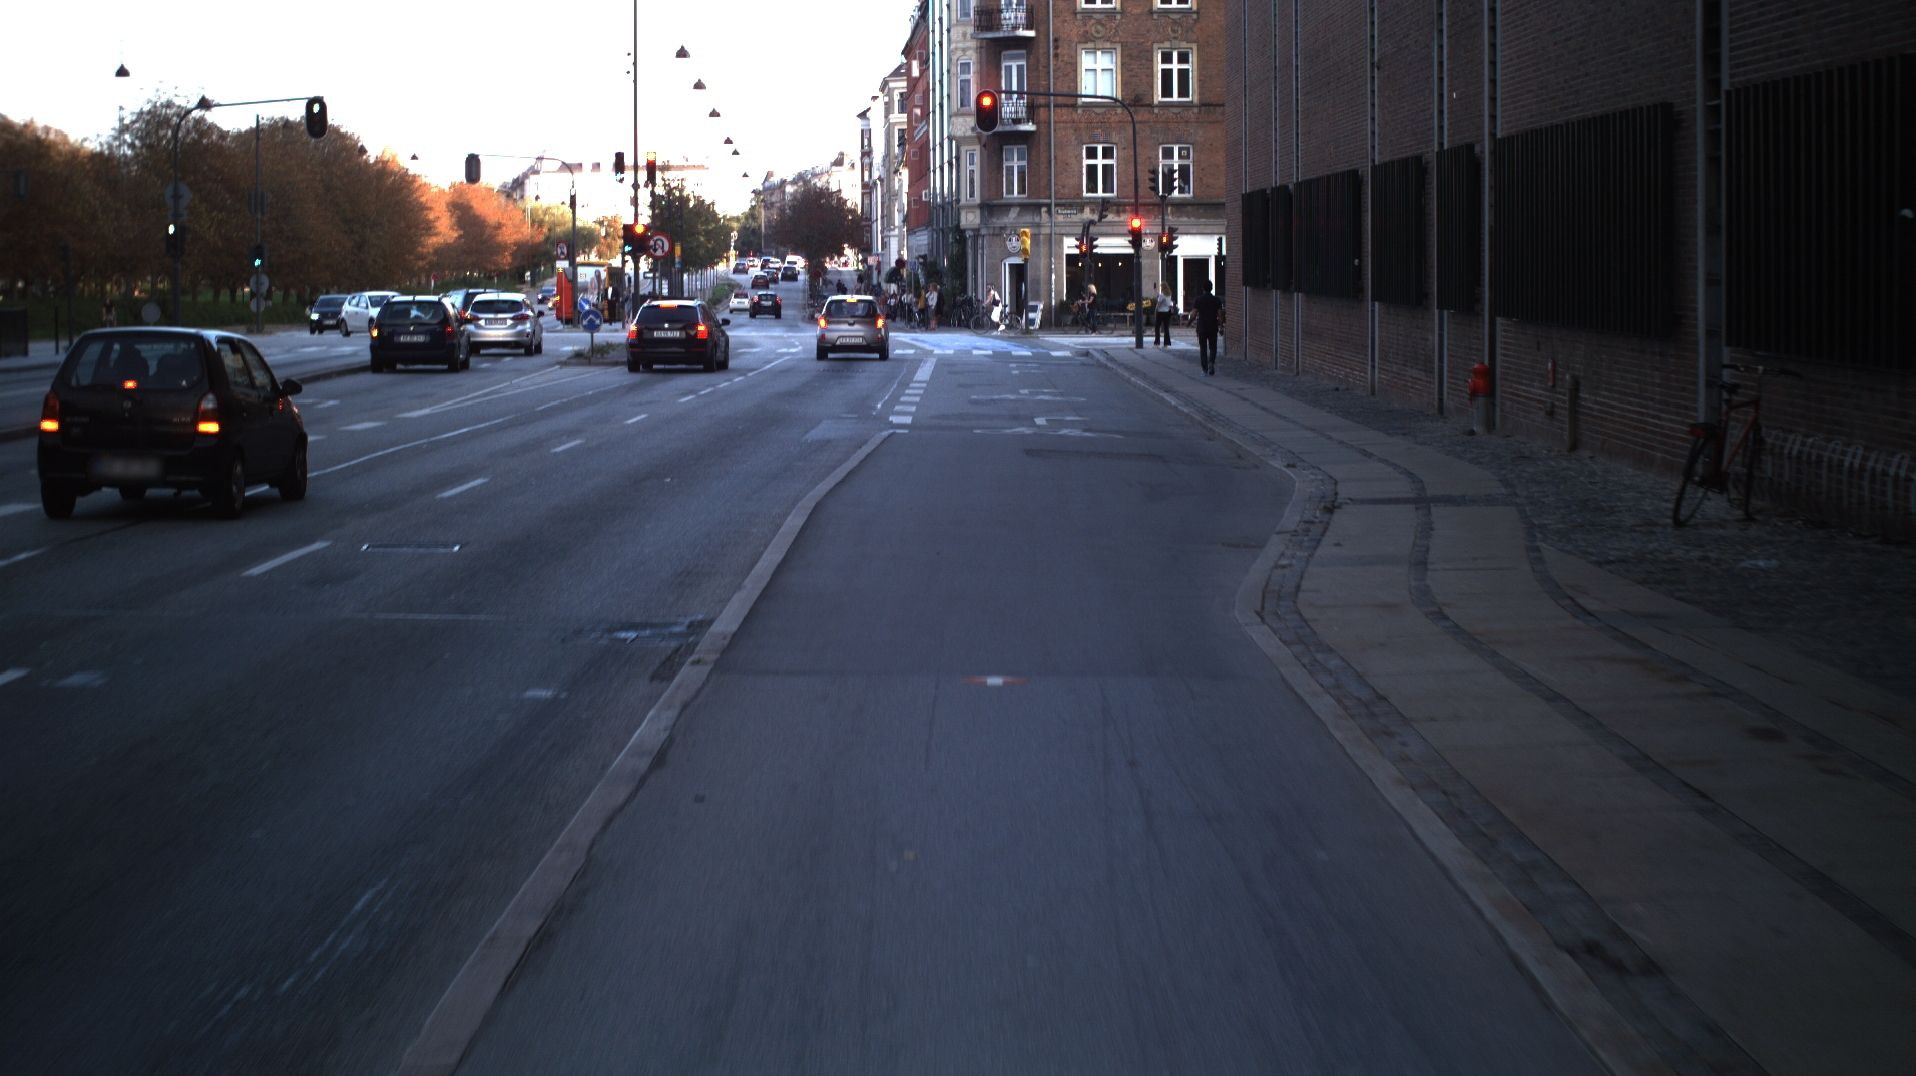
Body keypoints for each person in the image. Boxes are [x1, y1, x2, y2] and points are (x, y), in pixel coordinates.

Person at [1190, 280, 1223, 375]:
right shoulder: (1217, 300)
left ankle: (1204, 369)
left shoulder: (1198, 300)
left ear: (1203, 288)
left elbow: (1194, 314)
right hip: (1213, 326)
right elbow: (1220, 315)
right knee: (1213, 347)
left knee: (1203, 348)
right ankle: (1211, 362)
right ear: (1211, 288)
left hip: (1202, 327)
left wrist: (1189, 323)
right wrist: (1221, 326)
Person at [1153, 281, 1176, 347]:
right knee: (1166, 328)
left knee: (1157, 327)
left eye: (1161, 286)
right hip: (1167, 312)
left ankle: (1157, 342)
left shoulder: (1162, 295)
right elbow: (1168, 302)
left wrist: (1155, 310)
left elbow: (1158, 303)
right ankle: (1166, 343)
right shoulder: (1169, 294)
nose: (1161, 287)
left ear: (1163, 287)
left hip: (1160, 312)